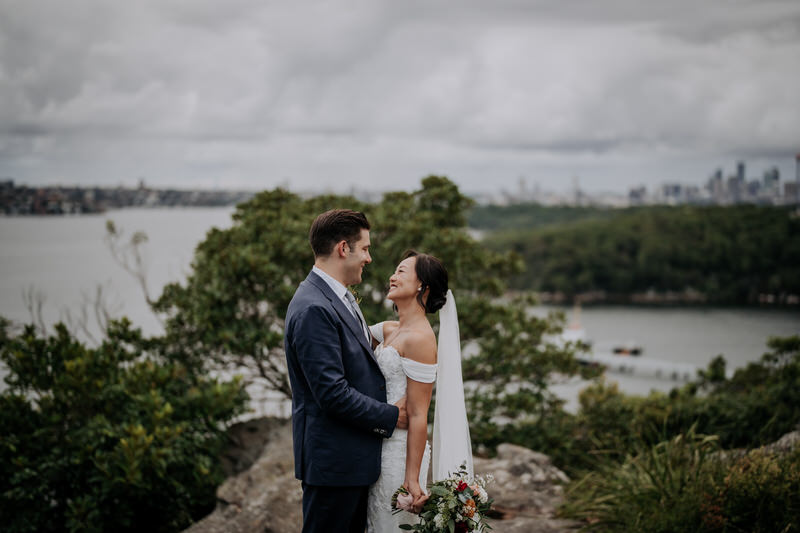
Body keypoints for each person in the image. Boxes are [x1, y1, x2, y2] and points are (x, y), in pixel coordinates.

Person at [284, 209, 409, 533]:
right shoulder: (314, 307)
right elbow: (331, 393)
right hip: (333, 466)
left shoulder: (334, 297)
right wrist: (390, 416)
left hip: (350, 462)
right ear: (343, 249)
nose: (368, 258)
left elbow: (354, 346)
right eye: (365, 248)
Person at [367, 250, 472, 532]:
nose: (392, 276)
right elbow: (347, 333)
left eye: (401, 271)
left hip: (399, 454)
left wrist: (412, 478)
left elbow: (417, 415)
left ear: (421, 286)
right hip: (376, 444)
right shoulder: (391, 330)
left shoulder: (421, 339)